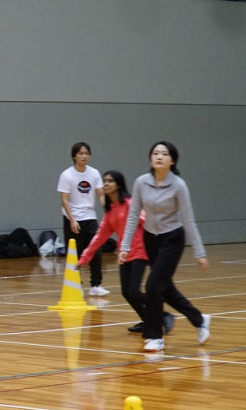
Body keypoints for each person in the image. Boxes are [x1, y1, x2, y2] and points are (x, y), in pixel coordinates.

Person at [119, 141, 211, 352]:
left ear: (173, 160)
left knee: (153, 285)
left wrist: (199, 252)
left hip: (172, 238)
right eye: (155, 153)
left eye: (164, 154)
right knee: (164, 287)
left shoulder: (179, 185)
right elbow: (133, 216)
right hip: (151, 238)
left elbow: (188, 220)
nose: (159, 156)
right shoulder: (141, 182)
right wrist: (125, 247)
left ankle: (155, 336)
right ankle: (199, 319)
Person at [77, 170, 174, 335]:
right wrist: (84, 258)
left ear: (119, 185)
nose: (106, 184)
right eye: (104, 181)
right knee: (126, 293)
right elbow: (99, 237)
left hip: (140, 251)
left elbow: (148, 222)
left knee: (134, 291)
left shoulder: (130, 204)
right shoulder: (110, 211)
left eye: (110, 181)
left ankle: (162, 315)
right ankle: (149, 320)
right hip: (124, 253)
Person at [57, 141, 108, 296]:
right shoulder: (67, 175)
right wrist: (72, 220)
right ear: (74, 156)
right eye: (81, 153)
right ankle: (76, 285)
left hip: (90, 218)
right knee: (74, 254)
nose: (84, 156)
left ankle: (96, 285)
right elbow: (64, 199)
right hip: (73, 218)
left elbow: (101, 194)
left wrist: (107, 209)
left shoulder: (94, 173)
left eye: (86, 153)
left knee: (96, 251)